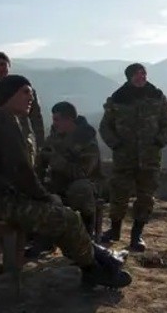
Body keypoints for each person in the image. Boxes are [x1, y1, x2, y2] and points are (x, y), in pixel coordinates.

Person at [0, 74, 132, 289]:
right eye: (25, 92)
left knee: (60, 214)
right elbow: (21, 171)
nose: (30, 98)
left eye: (31, 93)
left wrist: (41, 194)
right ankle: (95, 269)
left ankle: (102, 260)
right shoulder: (3, 121)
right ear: (8, 95)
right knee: (67, 218)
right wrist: (45, 197)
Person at [99, 63, 167, 252]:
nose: (141, 77)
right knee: (119, 195)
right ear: (129, 77)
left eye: (143, 73)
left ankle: (136, 236)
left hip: (150, 157)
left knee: (145, 197)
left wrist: (159, 142)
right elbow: (105, 126)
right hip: (124, 157)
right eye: (136, 74)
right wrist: (115, 144)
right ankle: (114, 230)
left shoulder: (157, 96)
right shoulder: (117, 99)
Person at [38, 101, 104, 236]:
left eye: (57, 120)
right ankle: (43, 238)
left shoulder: (86, 140)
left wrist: (56, 161)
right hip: (58, 183)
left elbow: (83, 173)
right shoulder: (54, 137)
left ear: (69, 120)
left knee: (81, 188)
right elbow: (42, 161)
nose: (55, 123)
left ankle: (87, 234)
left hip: (86, 185)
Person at [0, 51, 45, 148]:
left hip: (23, 142)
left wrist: (41, 145)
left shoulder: (23, 89)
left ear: (9, 65)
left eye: (3, 64)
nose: (0, 68)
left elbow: (36, 118)